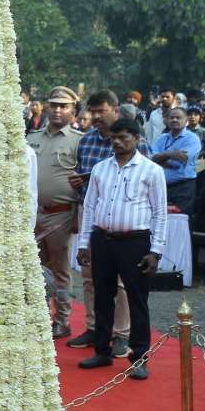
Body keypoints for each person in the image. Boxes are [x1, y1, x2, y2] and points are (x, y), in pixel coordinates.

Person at [76, 118, 167, 380]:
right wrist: (84, 244)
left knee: (138, 300)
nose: (117, 142)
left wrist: (155, 251)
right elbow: (90, 207)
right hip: (102, 239)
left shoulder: (151, 171)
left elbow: (161, 214)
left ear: (137, 138)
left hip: (136, 242)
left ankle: (138, 357)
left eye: (123, 137)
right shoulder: (100, 169)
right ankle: (102, 351)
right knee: (102, 297)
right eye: (114, 137)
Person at [66, 90, 148, 359]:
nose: (96, 117)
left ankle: (121, 334)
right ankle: (95, 328)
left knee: (124, 283)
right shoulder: (87, 139)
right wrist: (79, 180)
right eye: (93, 111)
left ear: (115, 109)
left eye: (102, 111)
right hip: (92, 214)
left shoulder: (136, 140)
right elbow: (86, 175)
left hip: (127, 221)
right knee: (91, 278)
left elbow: (143, 175)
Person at [26, 87, 83, 338]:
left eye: (64, 106)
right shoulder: (32, 137)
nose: (58, 110)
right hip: (32, 213)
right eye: (54, 105)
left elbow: (85, 181)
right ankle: (38, 315)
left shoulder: (79, 140)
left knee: (59, 270)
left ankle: (62, 319)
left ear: (73, 110)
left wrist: (78, 216)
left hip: (61, 214)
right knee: (32, 267)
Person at [150, 105, 201, 214]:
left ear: (186, 120)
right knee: (161, 219)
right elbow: (151, 159)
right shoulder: (161, 138)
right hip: (161, 186)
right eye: (171, 117)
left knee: (181, 220)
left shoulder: (192, 138)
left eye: (178, 118)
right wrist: (171, 154)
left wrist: (161, 158)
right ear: (167, 120)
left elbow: (181, 159)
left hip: (183, 187)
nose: (174, 120)